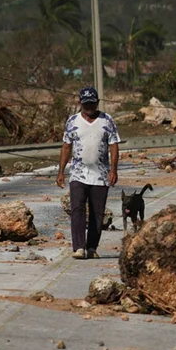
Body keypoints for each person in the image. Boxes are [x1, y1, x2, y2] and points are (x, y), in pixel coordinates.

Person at [57, 87, 120, 260]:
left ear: (97, 103)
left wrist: (114, 170)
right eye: (86, 104)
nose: (89, 107)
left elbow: (114, 145)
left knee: (97, 212)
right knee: (77, 209)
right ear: (81, 104)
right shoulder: (72, 121)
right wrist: (61, 171)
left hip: (100, 174)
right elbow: (66, 146)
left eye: (92, 103)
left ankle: (92, 247)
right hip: (78, 173)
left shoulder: (107, 121)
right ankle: (78, 247)